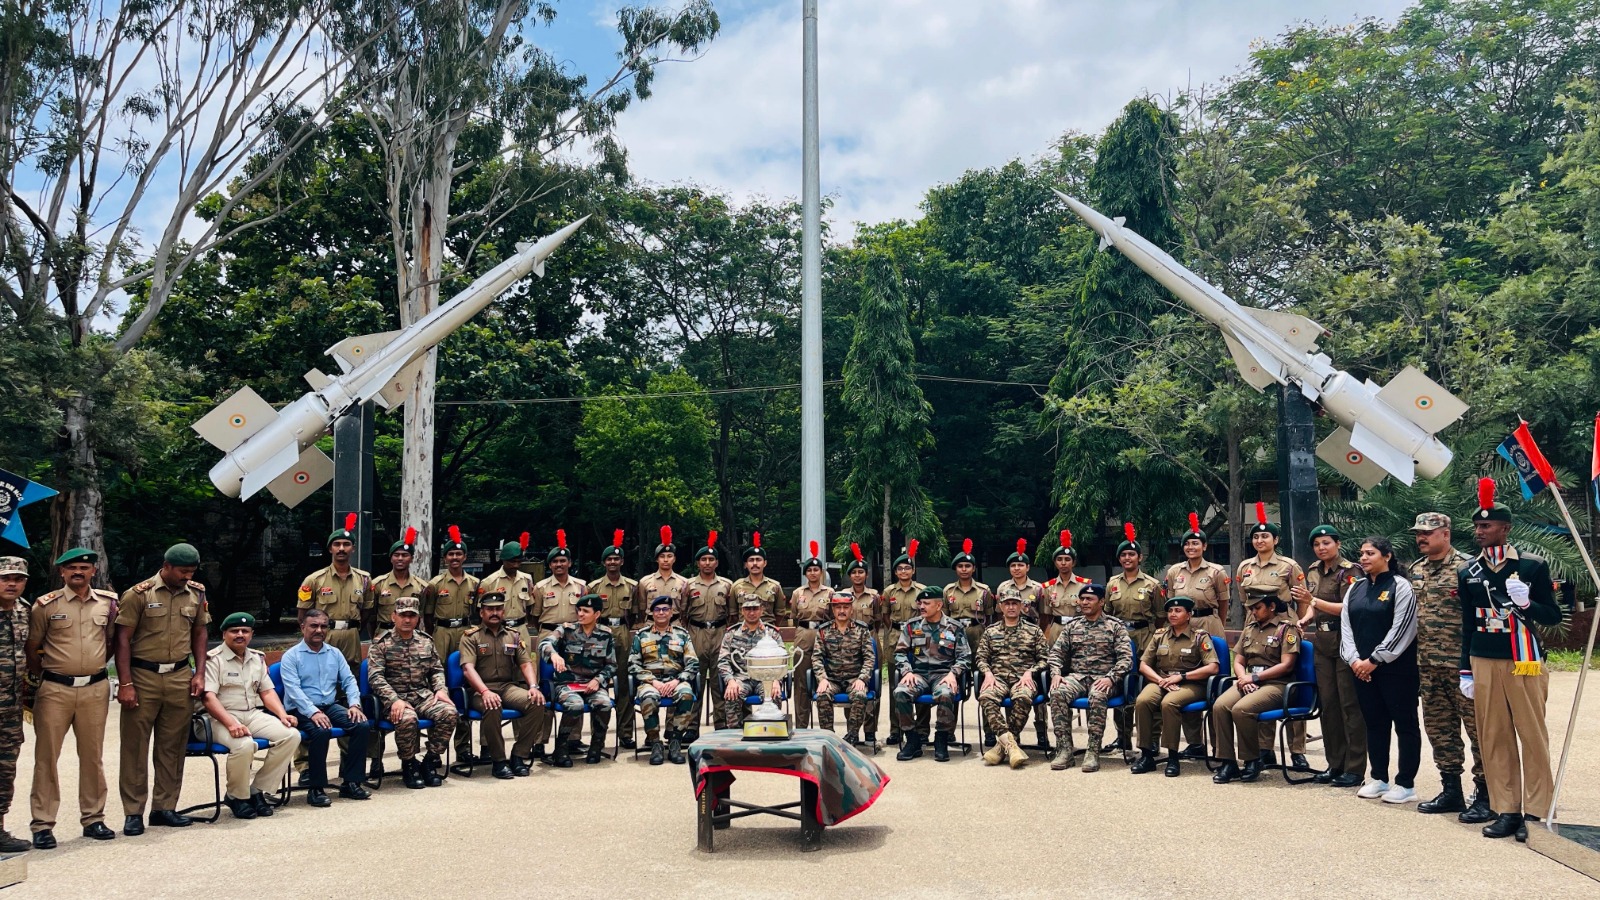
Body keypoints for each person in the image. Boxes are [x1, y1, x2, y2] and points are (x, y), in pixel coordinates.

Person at [1459, 478, 1563, 840]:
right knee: (1494, 735)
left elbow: (1552, 617)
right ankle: (1506, 809)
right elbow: (1467, 623)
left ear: (1506, 528)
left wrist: (1525, 604)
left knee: (1532, 734)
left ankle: (1536, 810)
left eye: (1486, 525)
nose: (1480, 531)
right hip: (1484, 658)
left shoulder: (1532, 567)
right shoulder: (1468, 571)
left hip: (1524, 659)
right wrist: (1464, 670)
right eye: (1477, 526)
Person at [113, 542, 209, 835]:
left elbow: (200, 632)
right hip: (143, 677)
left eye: (191, 571)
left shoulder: (197, 593)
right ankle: (133, 812)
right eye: (182, 571)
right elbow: (122, 640)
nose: (186, 576)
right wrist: (126, 683)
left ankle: (164, 807)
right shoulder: (138, 594)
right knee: (135, 747)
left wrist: (199, 673)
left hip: (179, 675)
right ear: (166, 566)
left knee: (172, 746)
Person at [27, 547, 117, 848]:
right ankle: (42, 824)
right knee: (46, 758)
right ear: (62, 573)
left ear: (94, 571)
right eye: (72, 568)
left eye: (84, 567)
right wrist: (49, 675)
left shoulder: (108, 603)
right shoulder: (45, 605)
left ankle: (93, 818)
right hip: (55, 690)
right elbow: (33, 647)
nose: (78, 572)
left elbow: (113, 643)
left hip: (95, 688)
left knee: (93, 757)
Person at [1407, 512, 1491, 821]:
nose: (1422, 538)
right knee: (1440, 731)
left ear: (1446, 533)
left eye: (1428, 532)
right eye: (1419, 533)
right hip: (1428, 666)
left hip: (1463, 667)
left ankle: (1486, 795)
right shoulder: (1416, 571)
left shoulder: (1467, 568)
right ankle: (1451, 789)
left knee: (1478, 732)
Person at [1341, 536, 1421, 805]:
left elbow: (1403, 629)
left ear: (1387, 556)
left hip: (1396, 669)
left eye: (1370, 553)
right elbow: (1346, 628)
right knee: (1375, 723)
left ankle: (1405, 783)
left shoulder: (1401, 587)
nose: (1363, 558)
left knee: (1405, 724)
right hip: (1362, 670)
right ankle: (1378, 777)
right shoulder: (1356, 588)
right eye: (1361, 553)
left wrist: (1374, 660)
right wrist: (1354, 660)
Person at [200, 613, 301, 820]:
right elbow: (208, 698)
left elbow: (267, 692)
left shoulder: (257, 658)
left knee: (291, 735)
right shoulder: (213, 659)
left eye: (245, 631)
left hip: (251, 714)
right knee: (244, 744)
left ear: (251, 634)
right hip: (217, 718)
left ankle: (256, 791)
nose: (240, 635)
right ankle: (237, 796)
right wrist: (230, 724)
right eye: (234, 631)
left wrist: (283, 715)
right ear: (224, 634)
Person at [1234, 502, 1309, 770]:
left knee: (1290, 684)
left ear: (1275, 540)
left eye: (1265, 536)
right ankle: (1265, 749)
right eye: (1255, 536)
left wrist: (1299, 624)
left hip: (1284, 627)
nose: (1260, 540)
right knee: (1259, 684)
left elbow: (1301, 598)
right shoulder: (1245, 567)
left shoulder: (1289, 566)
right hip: (1256, 626)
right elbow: (1245, 601)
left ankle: (1297, 750)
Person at [1294, 524, 1365, 788]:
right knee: (1329, 705)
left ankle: (1355, 768)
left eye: (1326, 543)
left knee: (1350, 706)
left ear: (1338, 544)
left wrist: (1312, 601)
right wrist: (1306, 619)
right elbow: (1315, 607)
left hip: (1345, 642)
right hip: (1322, 643)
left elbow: (1348, 609)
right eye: (1316, 544)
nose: (1321, 548)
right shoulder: (1313, 570)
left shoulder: (1351, 571)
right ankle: (1335, 764)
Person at [278, 610, 372, 805]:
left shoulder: (334, 653)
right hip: (300, 709)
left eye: (323, 626)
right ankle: (316, 788)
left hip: (329, 706)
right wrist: (313, 712)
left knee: (361, 725)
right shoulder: (291, 656)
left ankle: (351, 782)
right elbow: (294, 691)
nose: (319, 630)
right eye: (314, 626)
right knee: (321, 731)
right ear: (303, 627)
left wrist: (354, 704)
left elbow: (349, 681)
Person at [1211, 593, 1303, 785]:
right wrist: (1243, 677)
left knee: (1241, 709)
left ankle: (1251, 759)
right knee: (1220, 705)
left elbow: (1287, 665)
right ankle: (1228, 762)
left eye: (1257, 608)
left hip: (1277, 684)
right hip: (1249, 680)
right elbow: (1238, 660)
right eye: (1250, 609)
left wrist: (1255, 677)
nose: (1253, 612)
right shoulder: (1250, 629)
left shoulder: (1286, 629)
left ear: (1271, 607)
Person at [367, 597, 457, 789]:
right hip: (394, 699)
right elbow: (376, 678)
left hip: (421, 696)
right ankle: (409, 764)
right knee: (407, 718)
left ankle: (429, 761)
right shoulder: (381, 644)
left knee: (449, 713)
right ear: (393, 617)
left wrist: (441, 689)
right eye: (403, 615)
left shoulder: (426, 641)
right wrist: (393, 700)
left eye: (411, 616)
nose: (407, 620)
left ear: (418, 619)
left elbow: (436, 670)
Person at [1161, 514, 1229, 758]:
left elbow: (1224, 602)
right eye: (1187, 543)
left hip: (1208, 623)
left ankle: (1219, 745)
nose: (1191, 547)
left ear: (1205, 546)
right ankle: (1195, 743)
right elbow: (1170, 600)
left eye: (1196, 543)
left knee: (1213, 684)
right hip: (1182, 627)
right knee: (1186, 682)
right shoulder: (1174, 572)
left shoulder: (1216, 571)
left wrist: (1216, 624)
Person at [1046, 583, 1132, 773]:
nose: (1084, 602)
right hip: (1077, 677)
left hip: (1105, 678)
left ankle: (1093, 751)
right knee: (1058, 692)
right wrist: (1056, 674)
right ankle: (1065, 750)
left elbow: (1126, 659)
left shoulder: (1115, 626)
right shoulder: (1072, 626)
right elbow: (1056, 654)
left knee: (1097, 695)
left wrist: (1111, 678)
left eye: (1089, 599)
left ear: (1101, 602)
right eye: (1082, 599)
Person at [1131, 597, 1220, 777]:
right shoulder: (1160, 635)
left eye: (1178, 611)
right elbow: (1143, 665)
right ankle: (1146, 755)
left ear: (1189, 614)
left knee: (1169, 703)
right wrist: (1160, 680)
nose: (1172, 614)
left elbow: (1213, 667)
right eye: (1170, 611)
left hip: (1191, 684)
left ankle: (1172, 757)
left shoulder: (1200, 636)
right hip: (1162, 681)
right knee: (1142, 700)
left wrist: (1181, 677)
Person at [458, 592, 542, 778]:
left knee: (536, 702)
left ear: (503, 612)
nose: (494, 613)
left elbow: (526, 663)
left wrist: (534, 687)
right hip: (479, 690)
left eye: (498, 609)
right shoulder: (471, 637)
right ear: (482, 613)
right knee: (493, 705)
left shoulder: (513, 636)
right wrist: (485, 691)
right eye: (489, 609)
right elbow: (467, 669)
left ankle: (519, 755)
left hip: (507, 687)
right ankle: (498, 761)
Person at [366, 530, 424, 776]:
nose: (400, 558)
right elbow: (368, 615)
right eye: (396, 555)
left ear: (412, 558)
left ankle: (411, 757)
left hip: (412, 643)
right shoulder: (377, 584)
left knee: (414, 692)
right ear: (391, 558)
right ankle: (375, 759)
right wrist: (379, 636)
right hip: (385, 640)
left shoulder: (422, 586)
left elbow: (426, 617)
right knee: (378, 698)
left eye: (405, 555)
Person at [893, 586, 971, 763]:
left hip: (943, 674)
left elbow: (965, 657)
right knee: (900, 692)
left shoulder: (954, 627)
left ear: (938, 605)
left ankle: (941, 740)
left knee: (945, 693)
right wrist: (907, 671)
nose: (922, 607)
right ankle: (912, 740)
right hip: (918, 674)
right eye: (921, 603)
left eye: (926, 603)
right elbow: (900, 652)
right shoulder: (912, 626)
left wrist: (953, 674)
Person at [1104, 523, 1163, 752]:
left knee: (1149, 688)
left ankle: (1153, 738)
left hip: (1145, 639)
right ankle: (1123, 736)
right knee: (1122, 687)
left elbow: (1159, 618)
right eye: (1123, 555)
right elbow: (1107, 614)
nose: (1127, 558)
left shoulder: (1152, 584)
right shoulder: (1112, 584)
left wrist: (1152, 640)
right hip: (1119, 639)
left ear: (1139, 557)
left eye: (1131, 554)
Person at [541, 595, 616, 767]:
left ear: (596, 614)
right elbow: (545, 643)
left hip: (592, 684)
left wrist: (598, 680)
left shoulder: (605, 635)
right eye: (579, 610)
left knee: (604, 704)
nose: (580, 614)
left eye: (585, 611)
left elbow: (611, 666)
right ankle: (561, 748)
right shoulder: (566, 630)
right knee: (575, 705)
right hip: (567, 684)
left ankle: (596, 746)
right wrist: (553, 654)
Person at [426, 526, 479, 767]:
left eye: (459, 554)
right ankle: (435, 749)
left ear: (465, 557)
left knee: (464, 688)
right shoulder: (435, 584)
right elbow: (427, 616)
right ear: (445, 558)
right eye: (450, 554)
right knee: (440, 687)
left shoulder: (475, 584)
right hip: (442, 633)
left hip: (466, 633)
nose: (455, 558)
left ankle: (463, 748)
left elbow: (477, 612)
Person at [976, 590, 1048, 769]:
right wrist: (988, 673)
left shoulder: (1034, 631)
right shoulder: (990, 632)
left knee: (1023, 697)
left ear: (1022, 606)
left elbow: (1045, 659)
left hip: (1023, 679)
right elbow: (981, 658)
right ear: (1000, 607)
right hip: (997, 678)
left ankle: (1001, 747)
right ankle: (1011, 745)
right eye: (1007, 603)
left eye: (1015, 603)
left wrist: (1030, 672)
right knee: (986, 697)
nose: (1011, 607)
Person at [297, 514, 373, 673]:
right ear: (330, 548)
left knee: (352, 676)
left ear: (353, 548)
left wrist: (354, 630)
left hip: (351, 636)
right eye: (336, 544)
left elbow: (366, 611)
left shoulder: (364, 579)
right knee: (322, 674)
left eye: (346, 544)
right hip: (325, 635)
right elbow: (302, 615)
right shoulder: (314, 580)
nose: (341, 548)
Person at [630, 595, 698, 765]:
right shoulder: (641, 635)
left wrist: (677, 681)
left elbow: (692, 663)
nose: (661, 613)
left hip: (675, 680)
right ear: (652, 613)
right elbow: (633, 665)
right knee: (649, 697)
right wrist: (654, 682)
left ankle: (675, 741)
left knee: (686, 694)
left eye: (665, 609)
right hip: (650, 682)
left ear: (671, 612)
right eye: (657, 610)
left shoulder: (682, 635)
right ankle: (655, 743)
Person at [1038, 530, 1089, 750]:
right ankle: (1059, 733)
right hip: (1057, 630)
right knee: (1056, 678)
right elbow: (1045, 616)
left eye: (1067, 559)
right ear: (1055, 562)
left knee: (1080, 674)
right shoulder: (1048, 587)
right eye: (1060, 559)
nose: (1064, 562)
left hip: (1080, 630)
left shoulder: (1085, 584)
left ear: (1074, 562)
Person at [681, 532, 732, 737]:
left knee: (719, 680)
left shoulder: (726, 585)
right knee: (696, 680)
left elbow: (732, 613)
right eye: (704, 559)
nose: (707, 563)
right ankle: (692, 727)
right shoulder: (689, 585)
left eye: (711, 559)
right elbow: (683, 612)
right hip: (697, 633)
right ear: (698, 563)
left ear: (717, 562)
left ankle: (721, 724)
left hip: (720, 632)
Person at [592, 532, 639, 749]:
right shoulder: (593, 587)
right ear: (604, 562)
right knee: (597, 684)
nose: (613, 562)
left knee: (624, 683)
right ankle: (598, 736)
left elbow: (637, 613)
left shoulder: (632, 586)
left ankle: (625, 733)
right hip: (599, 633)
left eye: (616, 559)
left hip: (622, 631)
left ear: (621, 561)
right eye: (609, 559)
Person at [0, 557, 34, 853]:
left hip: (10, 710)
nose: (12, 583)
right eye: (6, 578)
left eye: (18, 578)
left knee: (5, 770)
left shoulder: (24, 612)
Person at [813, 591, 876, 744]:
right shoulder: (823, 630)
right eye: (838, 607)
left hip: (854, 678)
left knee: (860, 695)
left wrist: (862, 679)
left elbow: (869, 657)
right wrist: (822, 679)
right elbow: (817, 657)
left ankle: (852, 736)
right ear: (832, 610)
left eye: (845, 607)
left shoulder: (862, 630)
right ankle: (828, 737)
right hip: (831, 679)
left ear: (851, 609)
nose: (842, 611)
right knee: (822, 695)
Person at [716, 595, 785, 731]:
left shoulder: (771, 633)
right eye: (748, 609)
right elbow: (723, 661)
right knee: (732, 695)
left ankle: (771, 734)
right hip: (741, 679)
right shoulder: (732, 634)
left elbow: (782, 659)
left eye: (755, 608)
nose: (751, 612)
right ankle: (735, 736)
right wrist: (730, 681)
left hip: (765, 678)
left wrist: (777, 680)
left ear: (762, 610)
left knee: (773, 694)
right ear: (742, 611)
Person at [880, 541, 926, 747]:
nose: (904, 571)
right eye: (900, 568)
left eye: (907, 567)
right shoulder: (889, 591)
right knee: (895, 686)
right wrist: (898, 630)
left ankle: (922, 729)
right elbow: (885, 616)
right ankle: (896, 729)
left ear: (913, 570)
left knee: (921, 682)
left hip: (920, 640)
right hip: (896, 639)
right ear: (896, 572)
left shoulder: (922, 591)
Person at [842, 547, 884, 745]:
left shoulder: (874, 596)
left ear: (866, 575)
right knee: (850, 682)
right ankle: (852, 730)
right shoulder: (842, 596)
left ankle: (870, 731)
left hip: (869, 638)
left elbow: (879, 620)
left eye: (861, 572)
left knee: (872, 685)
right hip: (847, 643)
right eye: (854, 572)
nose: (857, 575)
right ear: (850, 575)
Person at [789, 544, 831, 730]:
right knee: (801, 683)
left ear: (821, 572)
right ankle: (801, 727)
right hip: (803, 636)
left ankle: (825, 728)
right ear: (806, 573)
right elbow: (794, 616)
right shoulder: (798, 593)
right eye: (810, 570)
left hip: (824, 635)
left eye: (816, 569)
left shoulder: (830, 593)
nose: (813, 573)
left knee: (824, 680)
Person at [943, 539, 992, 681]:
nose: (964, 569)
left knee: (981, 671)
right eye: (960, 566)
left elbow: (989, 617)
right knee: (955, 674)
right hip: (954, 634)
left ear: (974, 568)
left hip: (977, 633)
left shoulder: (984, 590)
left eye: (967, 566)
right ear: (955, 569)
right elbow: (945, 616)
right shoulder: (948, 590)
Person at [731, 533, 786, 627]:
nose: (755, 563)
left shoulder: (774, 586)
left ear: (765, 563)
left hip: (767, 632)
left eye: (758, 560)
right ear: (746, 564)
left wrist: (770, 627)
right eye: (751, 560)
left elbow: (780, 613)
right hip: (743, 633)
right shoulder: (737, 586)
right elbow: (733, 614)